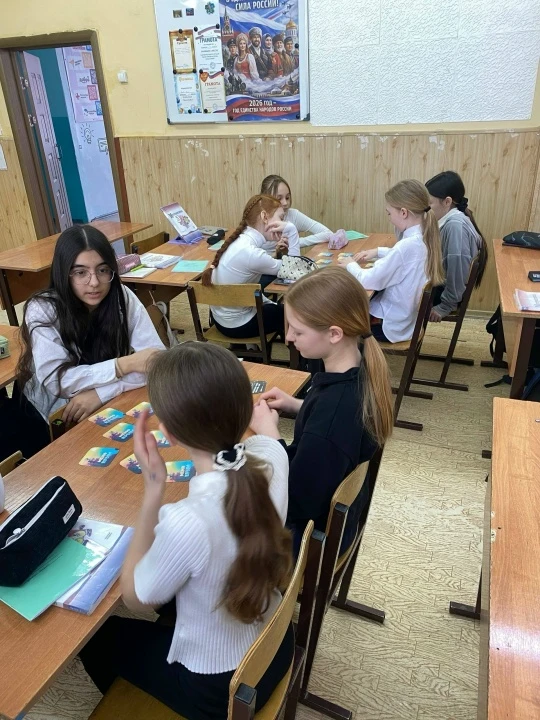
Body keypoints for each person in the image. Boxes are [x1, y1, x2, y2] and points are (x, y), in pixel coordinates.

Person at [80, 342, 293, 719]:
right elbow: (265, 441)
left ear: (168, 433)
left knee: (98, 639)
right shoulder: (274, 456)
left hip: (221, 688)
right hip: (277, 644)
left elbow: (135, 597)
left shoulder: (187, 520)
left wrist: (153, 489)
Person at [250, 267, 393, 556]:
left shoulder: (334, 412)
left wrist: (270, 435)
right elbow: (332, 429)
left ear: (334, 334)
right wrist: (298, 405)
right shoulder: (358, 365)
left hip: (309, 540)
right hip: (328, 514)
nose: (288, 337)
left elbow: (296, 500)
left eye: (298, 330)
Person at [15, 225, 164, 455]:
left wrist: (101, 394)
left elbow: (156, 362)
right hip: (49, 411)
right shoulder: (42, 308)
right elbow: (58, 381)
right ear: (64, 273)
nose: (94, 282)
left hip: (107, 400)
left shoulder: (122, 296)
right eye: (80, 272)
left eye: (102, 270)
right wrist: (124, 365)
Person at [339, 179, 444, 343]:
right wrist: (378, 251)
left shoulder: (406, 246)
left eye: (389, 213)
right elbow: (406, 258)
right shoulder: (424, 237)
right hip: (406, 322)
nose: (389, 218)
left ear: (403, 213)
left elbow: (369, 280)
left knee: (333, 319)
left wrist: (350, 264)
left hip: (389, 325)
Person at [201, 194, 299, 339]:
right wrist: (292, 230)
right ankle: (299, 351)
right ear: (264, 217)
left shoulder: (240, 241)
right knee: (294, 315)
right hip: (237, 325)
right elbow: (296, 270)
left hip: (221, 320)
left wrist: (278, 253)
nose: (283, 224)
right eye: (281, 218)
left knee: (277, 308)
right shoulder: (251, 253)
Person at [425, 170, 488, 322]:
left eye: (429, 203)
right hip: (439, 285)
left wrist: (445, 306)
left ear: (447, 201)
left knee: (388, 293)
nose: (425, 208)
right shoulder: (448, 220)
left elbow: (457, 270)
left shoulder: (455, 226)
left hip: (443, 294)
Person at [260, 174, 332, 247]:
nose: (285, 203)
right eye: (279, 199)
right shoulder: (257, 220)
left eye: (287, 198)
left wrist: (294, 242)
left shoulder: (293, 215)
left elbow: (328, 234)